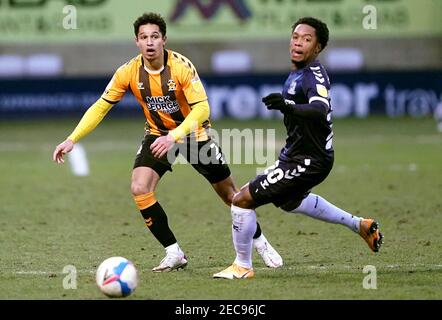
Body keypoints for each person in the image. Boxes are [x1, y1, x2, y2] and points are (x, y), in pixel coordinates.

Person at [52, 12, 282, 272]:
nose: (149, 42)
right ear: (136, 42)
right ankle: (174, 252)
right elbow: (101, 106)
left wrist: (174, 136)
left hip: (193, 134)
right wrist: (72, 138)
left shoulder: (181, 67)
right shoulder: (128, 72)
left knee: (231, 196)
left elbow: (202, 109)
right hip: (157, 135)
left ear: (164, 39)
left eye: (154, 36)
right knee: (140, 187)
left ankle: (260, 242)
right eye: (143, 37)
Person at [213, 17, 383, 279]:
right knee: (291, 201)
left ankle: (243, 266)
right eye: (295, 37)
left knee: (241, 201)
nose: (299, 42)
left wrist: (287, 106)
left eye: (307, 39)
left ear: (318, 47)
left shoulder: (312, 75)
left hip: (308, 160)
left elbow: (320, 108)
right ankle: (359, 225)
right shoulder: (296, 73)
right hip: (297, 155)